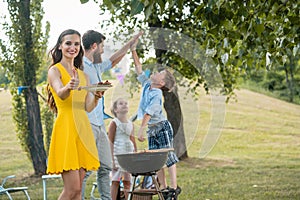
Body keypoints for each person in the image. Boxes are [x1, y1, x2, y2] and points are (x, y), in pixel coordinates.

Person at [81, 30, 142, 200]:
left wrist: (130, 45)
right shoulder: (81, 66)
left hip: (99, 123)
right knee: (87, 169)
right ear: (94, 46)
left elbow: (114, 60)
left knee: (106, 166)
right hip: (88, 122)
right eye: (101, 45)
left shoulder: (95, 66)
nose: (103, 48)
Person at [46, 29, 103, 200]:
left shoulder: (83, 75)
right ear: (60, 46)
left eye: (76, 44)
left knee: (78, 191)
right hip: (66, 129)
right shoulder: (54, 71)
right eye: (68, 43)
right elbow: (60, 93)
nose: (73, 47)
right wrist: (69, 86)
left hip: (82, 129)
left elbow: (86, 107)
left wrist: (97, 97)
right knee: (71, 189)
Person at [131, 42, 181, 200]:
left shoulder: (157, 94)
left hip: (162, 127)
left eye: (161, 73)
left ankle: (173, 187)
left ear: (162, 83)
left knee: (168, 156)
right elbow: (139, 68)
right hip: (153, 129)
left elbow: (148, 113)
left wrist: (141, 129)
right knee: (157, 160)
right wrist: (133, 50)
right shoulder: (147, 85)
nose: (157, 72)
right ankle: (164, 187)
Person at [107, 98, 137, 200]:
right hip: (117, 153)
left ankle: (128, 198)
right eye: (121, 104)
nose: (124, 105)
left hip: (128, 152)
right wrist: (112, 160)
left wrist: (136, 153)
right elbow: (110, 141)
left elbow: (132, 139)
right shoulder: (114, 123)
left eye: (126, 103)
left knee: (127, 180)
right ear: (116, 110)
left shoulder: (130, 123)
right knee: (115, 180)